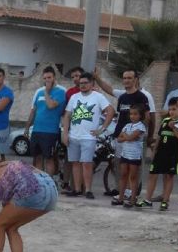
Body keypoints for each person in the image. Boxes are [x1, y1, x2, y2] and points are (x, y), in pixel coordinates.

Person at [94, 69, 151, 198]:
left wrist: (138, 133)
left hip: (134, 139)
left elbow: (147, 117)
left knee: (133, 168)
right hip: (120, 136)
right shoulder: (122, 96)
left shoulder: (141, 97)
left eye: (129, 78)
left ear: (135, 80)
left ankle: (131, 193)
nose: (126, 80)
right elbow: (109, 90)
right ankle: (122, 192)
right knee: (120, 165)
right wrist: (97, 78)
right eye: (124, 78)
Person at [62, 72, 115, 199]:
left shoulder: (98, 97)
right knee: (75, 163)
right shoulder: (74, 97)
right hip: (73, 136)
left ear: (92, 83)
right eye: (81, 83)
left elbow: (111, 111)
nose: (83, 85)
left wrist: (102, 129)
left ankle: (88, 190)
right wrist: (65, 133)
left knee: (87, 163)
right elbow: (67, 115)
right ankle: (77, 189)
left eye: (85, 83)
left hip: (88, 137)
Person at [24, 67, 66, 176]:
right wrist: (27, 127)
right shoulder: (39, 92)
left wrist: (47, 91)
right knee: (37, 157)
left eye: (49, 77)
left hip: (50, 131)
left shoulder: (61, 92)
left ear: (54, 78)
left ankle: (49, 181)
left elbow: (50, 105)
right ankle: (39, 180)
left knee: (49, 158)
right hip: (36, 130)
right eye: (45, 78)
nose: (47, 80)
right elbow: (33, 111)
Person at [142, 98, 178, 211]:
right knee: (152, 175)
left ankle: (165, 201)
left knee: (168, 176)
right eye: (170, 109)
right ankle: (147, 200)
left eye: (174, 109)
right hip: (160, 153)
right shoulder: (165, 121)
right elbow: (159, 137)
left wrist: (174, 128)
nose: (171, 112)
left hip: (173, 155)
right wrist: (154, 152)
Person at [114, 105, 147, 208]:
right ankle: (120, 198)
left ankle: (133, 199)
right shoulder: (127, 125)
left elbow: (129, 138)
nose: (132, 116)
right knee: (123, 175)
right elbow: (119, 139)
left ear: (140, 115)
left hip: (134, 155)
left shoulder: (141, 127)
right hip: (125, 154)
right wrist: (126, 136)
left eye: (135, 114)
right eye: (131, 114)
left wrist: (125, 135)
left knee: (133, 177)